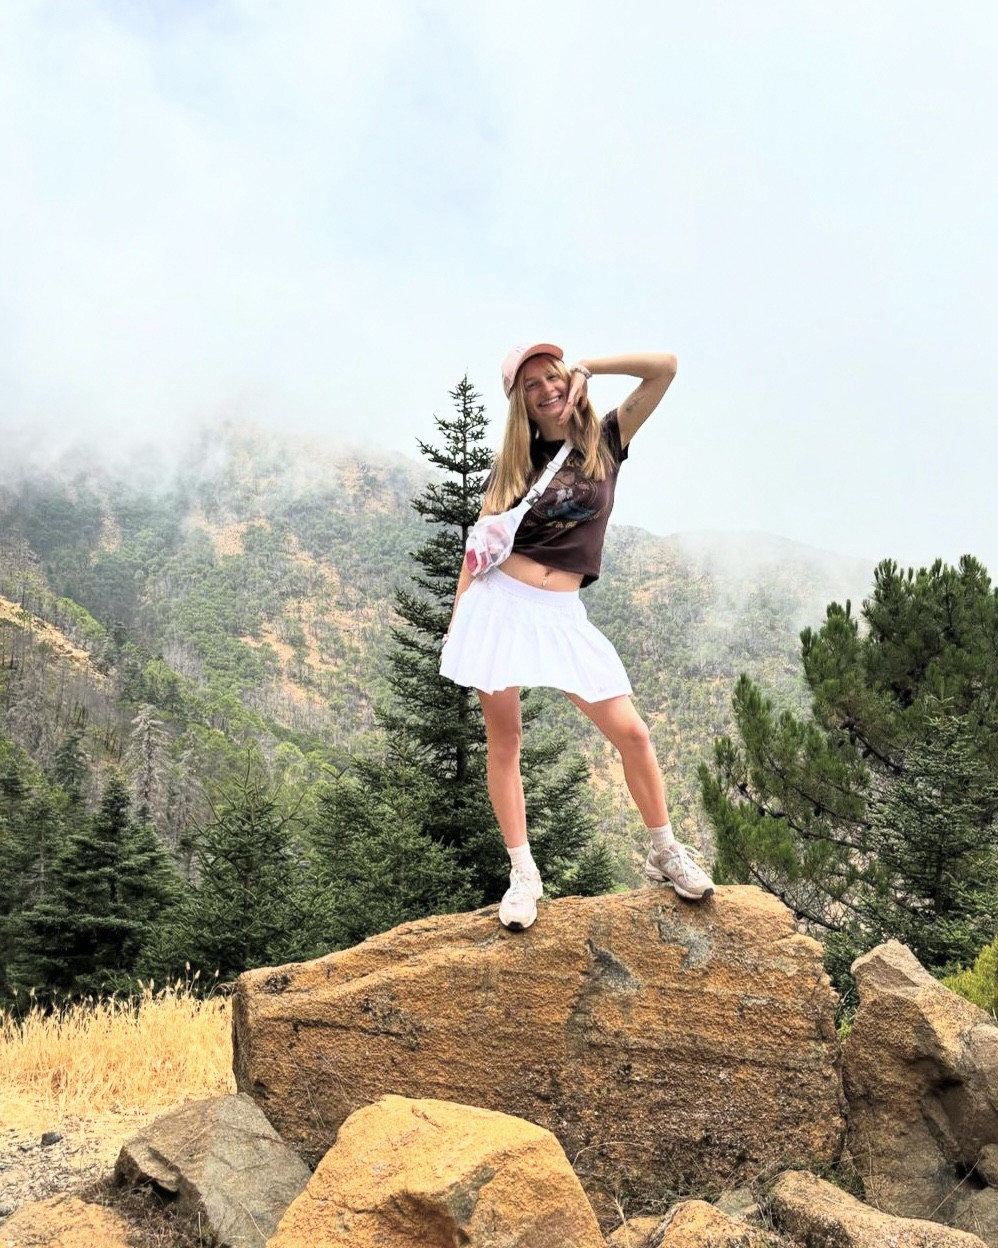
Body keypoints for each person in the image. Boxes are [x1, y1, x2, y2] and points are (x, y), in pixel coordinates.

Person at [440, 341, 714, 931]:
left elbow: (665, 367)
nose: (546, 388)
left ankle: (664, 850)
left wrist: (591, 366)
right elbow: (479, 548)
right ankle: (523, 874)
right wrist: (458, 623)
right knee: (505, 741)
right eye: (531, 384)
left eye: (552, 375)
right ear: (520, 400)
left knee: (633, 734)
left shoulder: (607, 439)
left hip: (561, 615)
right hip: (499, 605)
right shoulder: (514, 464)